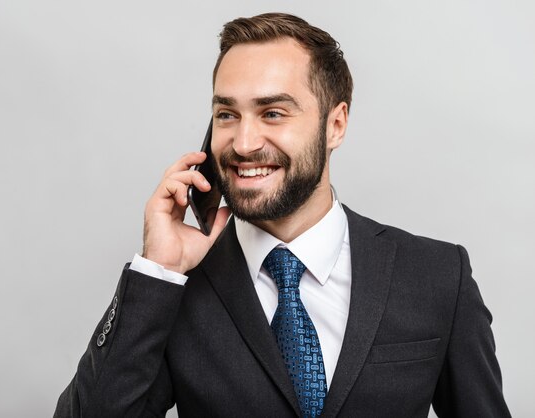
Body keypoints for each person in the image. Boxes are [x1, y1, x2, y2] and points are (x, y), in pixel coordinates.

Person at [54, 13, 510, 418]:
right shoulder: (176, 287)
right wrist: (158, 270)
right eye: (227, 114)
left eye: (272, 113)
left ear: (336, 124)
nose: (244, 142)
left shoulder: (437, 277)